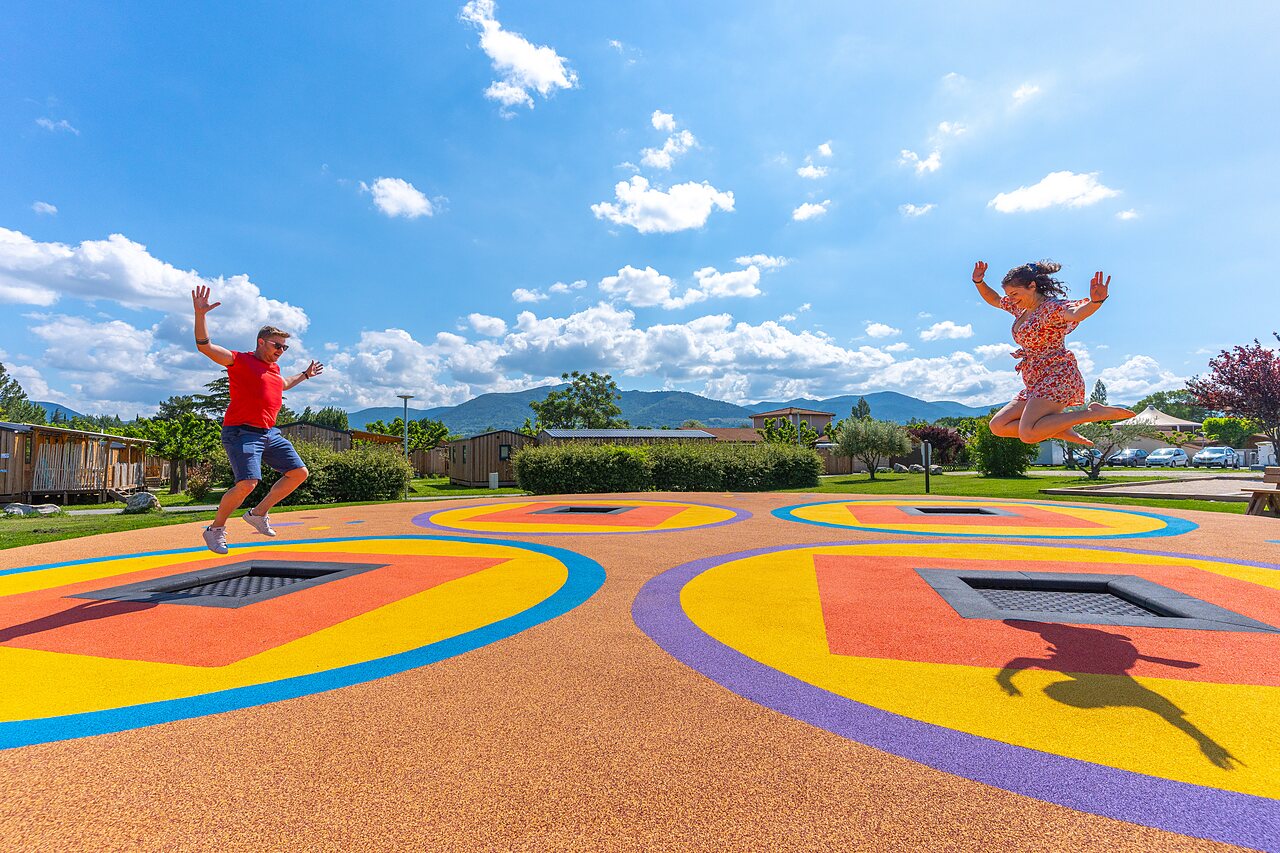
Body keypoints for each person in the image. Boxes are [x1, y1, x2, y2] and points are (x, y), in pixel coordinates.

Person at [191, 285, 324, 554]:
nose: (281, 350)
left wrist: (305, 375)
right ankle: (214, 530)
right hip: (241, 432)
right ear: (261, 342)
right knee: (247, 483)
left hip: (269, 432)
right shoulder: (239, 360)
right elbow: (205, 347)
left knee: (299, 473)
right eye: (277, 345)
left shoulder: (274, 369)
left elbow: (284, 383)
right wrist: (200, 315)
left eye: (285, 347)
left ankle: (258, 513)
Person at [973, 260, 1133, 446]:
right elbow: (994, 299)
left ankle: (1093, 414)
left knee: (1028, 434)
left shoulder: (1051, 308)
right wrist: (979, 282)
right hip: (1035, 380)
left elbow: (1075, 313)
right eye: (1009, 295)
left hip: (1057, 375)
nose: (1011, 299)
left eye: (1015, 293)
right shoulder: (1021, 307)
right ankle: (1058, 429)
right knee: (998, 426)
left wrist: (1096, 302)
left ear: (1032, 286)